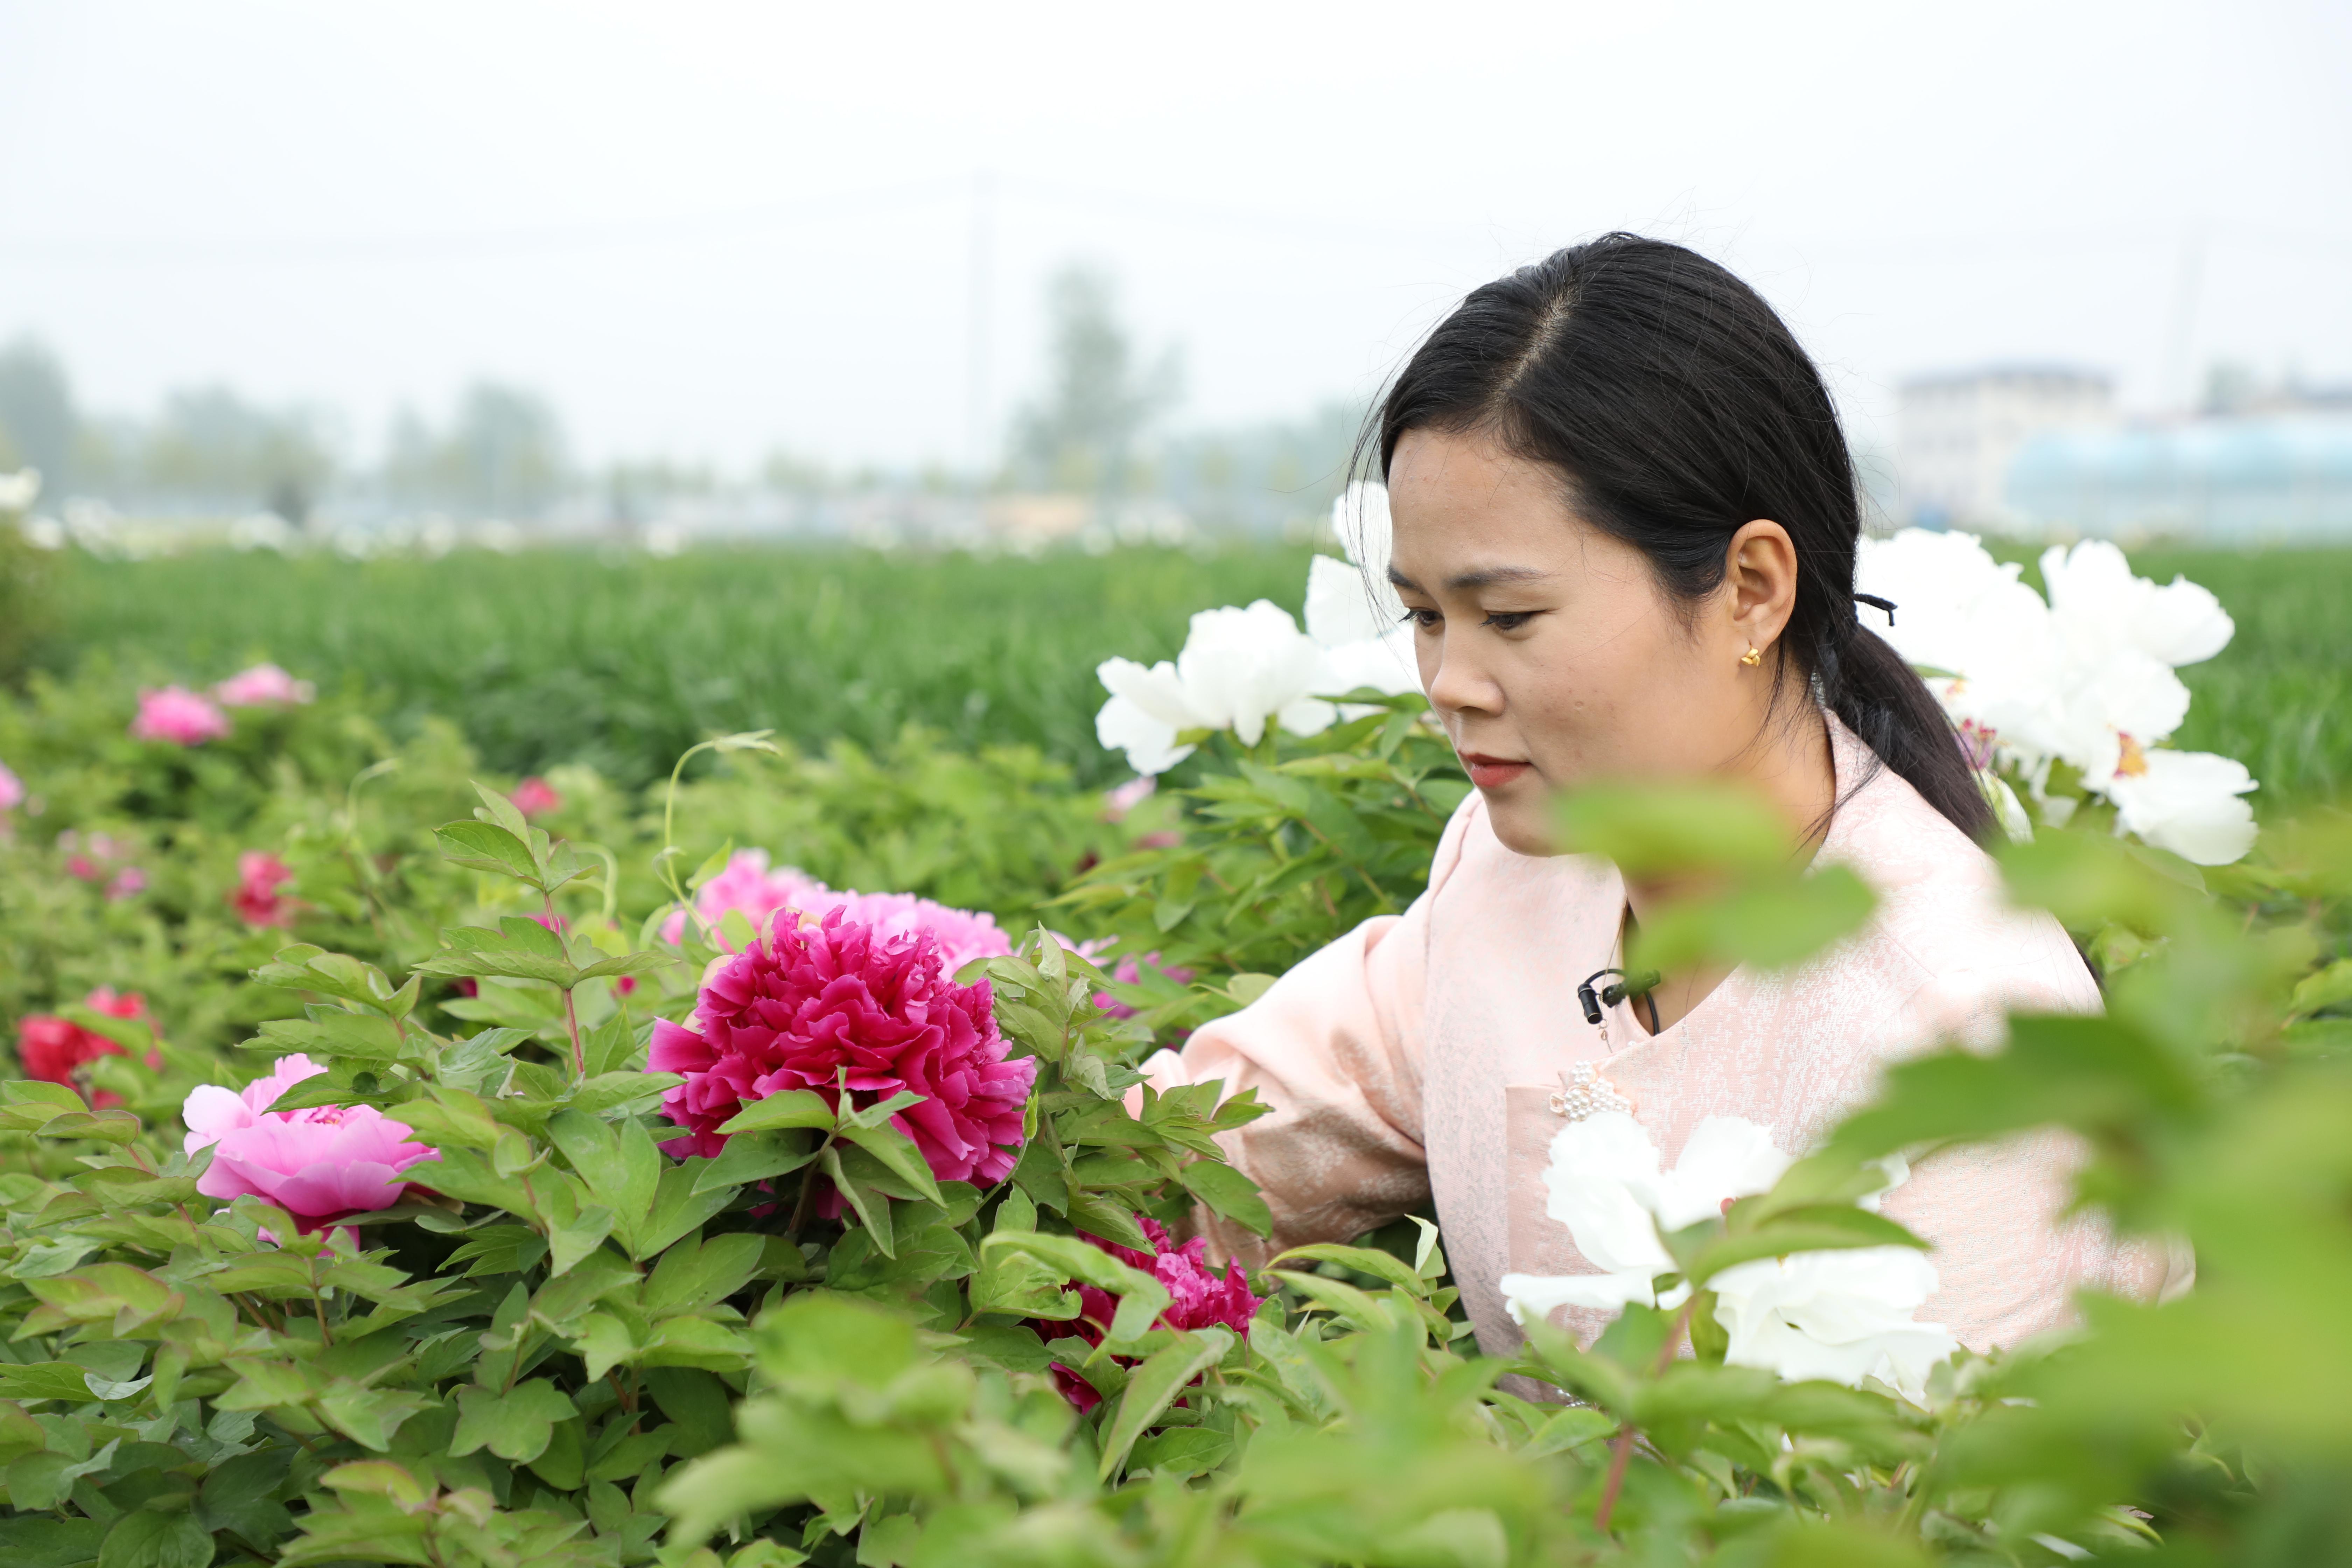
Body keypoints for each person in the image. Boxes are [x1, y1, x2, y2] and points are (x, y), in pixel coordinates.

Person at [1138, 233, 2173, 1360]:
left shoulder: (1969, 1034)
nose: (1450, 684)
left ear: (1750, 591)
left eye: (1511, 617)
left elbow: (1949, 1518)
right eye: (1429, 615)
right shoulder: (1514, 875)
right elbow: (1205, 1154)